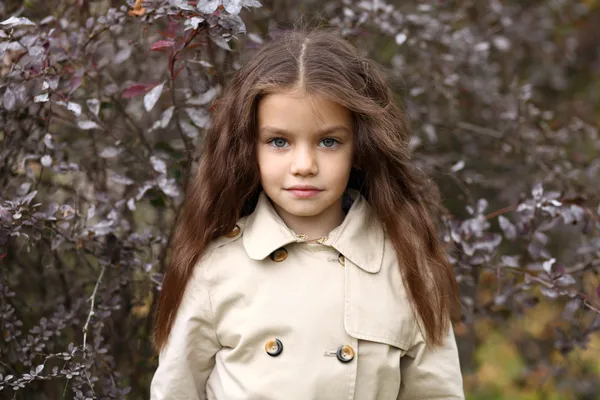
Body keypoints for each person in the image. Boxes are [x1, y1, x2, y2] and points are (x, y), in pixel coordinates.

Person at [150, 28, 464, 399]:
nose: (304, 165)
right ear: (248, 147)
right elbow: (175, 391)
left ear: (360, 147)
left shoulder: (406, 267)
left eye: (328, 141)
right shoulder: (216, 269)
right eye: (279, 141)